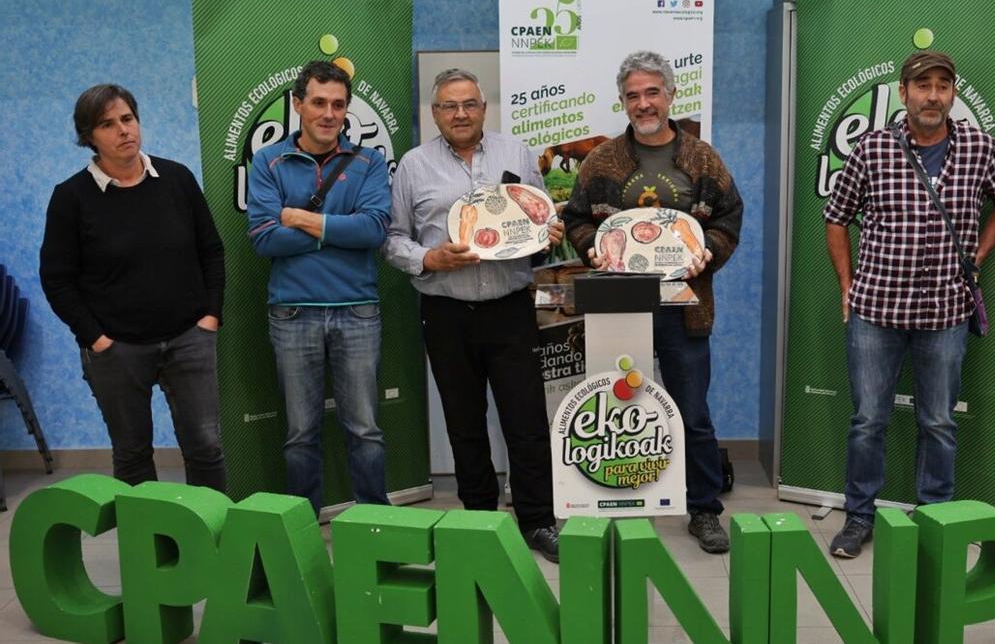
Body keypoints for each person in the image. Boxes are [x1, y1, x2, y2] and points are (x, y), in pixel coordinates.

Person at [823, 51, 995, 558]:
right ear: (903, 92)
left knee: (939, 421)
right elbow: (836, 215)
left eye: (942, 85)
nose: (933, 95)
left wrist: (979, 252)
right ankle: (858, 518)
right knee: (869, 420)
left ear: (952, 93)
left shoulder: (979, 147)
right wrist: (847, 282)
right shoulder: (872, 149)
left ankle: (936, 519)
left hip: (945, 313)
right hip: (876, 309)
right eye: (922, 85)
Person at [562, 51, 743, 554]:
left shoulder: (702, 158)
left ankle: (704, 510)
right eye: (633, 95)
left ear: (670, 95)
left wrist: (708, 253)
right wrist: (590, 247)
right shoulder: (601, 161)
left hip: (685, 308)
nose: (644, 104)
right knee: (620, 409)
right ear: (622, 102)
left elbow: (729, 216)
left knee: (693, 414)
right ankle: (617, 500)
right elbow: (577, 218)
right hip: (620, 307)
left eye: (652, 92)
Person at [383, 68, 563, 562]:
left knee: (525, 422)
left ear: (484, 108)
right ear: (435, 113)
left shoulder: (518, 155)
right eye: (447, 106)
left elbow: (543, 219)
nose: (459, 114)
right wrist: (428, 258)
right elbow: (393, 238)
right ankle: (480, 518)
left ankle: (538, 520)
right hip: (445, 312)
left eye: (468, 104)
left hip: (510, 309)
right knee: (463, 423)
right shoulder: (413, 166)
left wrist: (547, 235)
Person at [40, 83, 227, 491]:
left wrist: (211, 316)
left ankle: (213, 547)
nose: (123, 130)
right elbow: (57, 279)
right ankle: (152, 552)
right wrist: (96, 338)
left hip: (189, 338)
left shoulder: (176, 179)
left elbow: (211, 251)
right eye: (107, 124)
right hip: (117, 349)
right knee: (132, 454)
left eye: (128, 119)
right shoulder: (71, 197)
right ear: (89, 136)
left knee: (206, 447)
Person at [247, 60, 391, 513]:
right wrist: (336, 232)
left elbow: (372, 231)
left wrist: (300, 218)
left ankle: (376, 524)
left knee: (365, 429)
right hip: (292, 313)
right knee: (299, 433)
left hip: (358, 312)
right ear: (297, 105)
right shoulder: (269, 161)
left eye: (338, 105)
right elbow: (266, 238)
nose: (329, 114)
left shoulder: (368, 162)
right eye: (318, 103)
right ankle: (304, 527)